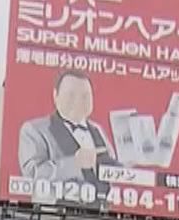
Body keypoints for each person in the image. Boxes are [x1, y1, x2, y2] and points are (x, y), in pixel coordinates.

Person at [16, 69, 114, 200]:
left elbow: (113, 171)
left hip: (101, 215)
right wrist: (74, 163)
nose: (79, 102)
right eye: (71, 95)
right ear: (55, 96)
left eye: (85, 96)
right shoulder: (34, 129)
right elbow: (32, 175)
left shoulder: (97, 129)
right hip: (54, 215)